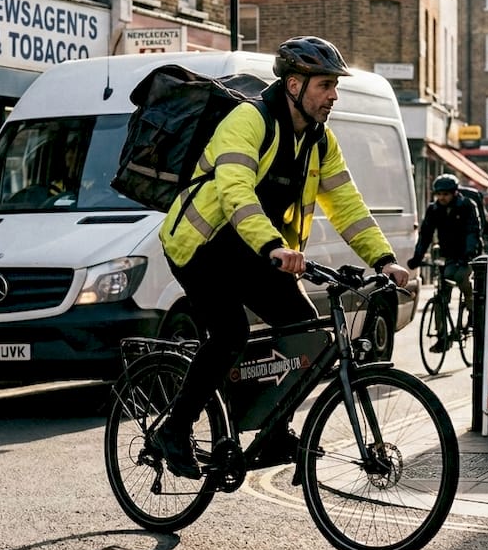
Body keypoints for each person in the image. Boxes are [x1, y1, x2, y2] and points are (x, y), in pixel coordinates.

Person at [151, 36, 411, 479]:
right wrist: (275, 248)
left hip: (258, 250)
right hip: (202, 246)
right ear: (294, 85)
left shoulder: (320, 141)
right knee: (229, 332)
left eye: (335, 86)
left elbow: (347, 204)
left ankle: (271, 431)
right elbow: (235, 192)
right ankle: (173, 430)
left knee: (304, 330)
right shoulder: (247, 121)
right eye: (325, 85)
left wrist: (383, 259)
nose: (334, 95)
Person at [407, 173, 481, 353]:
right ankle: (443, 336)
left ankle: (472, 310)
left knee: (461, 276)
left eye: (445, 194)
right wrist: (417, 258)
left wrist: (469, 254)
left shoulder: (467, 206)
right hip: (448, 255)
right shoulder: (434, 209)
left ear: (455, 193)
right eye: (439, 194)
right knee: (441, 294)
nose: (442, 198)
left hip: (467, 254)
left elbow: (473, 231)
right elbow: (425, 235)